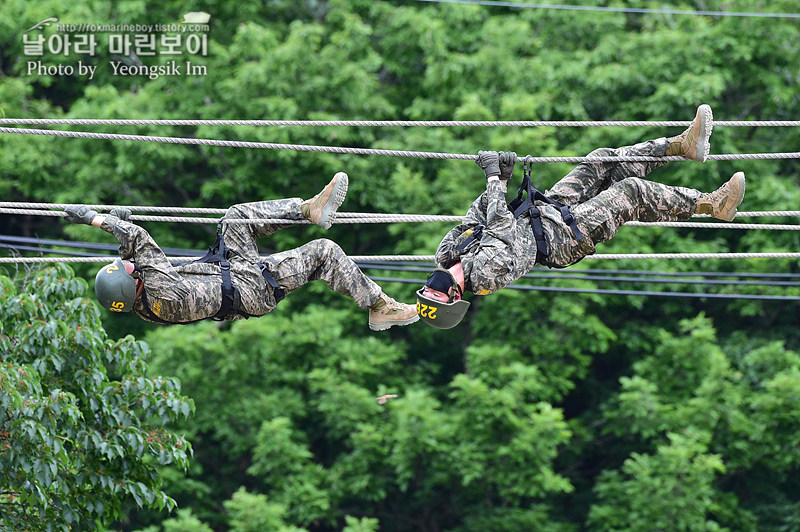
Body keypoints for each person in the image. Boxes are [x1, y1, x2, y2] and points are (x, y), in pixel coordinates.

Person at [416, 104, 747, 329]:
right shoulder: (485, 278)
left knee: (599, 161)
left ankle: (680, 145)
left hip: (543, 213)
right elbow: (500, 227)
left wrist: (498, 178)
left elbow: (477, 218)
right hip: (563, 240)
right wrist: (495, 181)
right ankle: (709, 205)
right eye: (434, 296)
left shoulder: (446, 254)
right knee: (630, 193)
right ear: (454, 297)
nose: (429, 288)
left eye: (425, 292)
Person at [64, 172, 419, 331]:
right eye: (127, 272)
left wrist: (118, 226)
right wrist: (97, 219)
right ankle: (380, 304)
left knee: (313, 251)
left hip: (238, 280)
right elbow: (140, 241)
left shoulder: (144, 300)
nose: (129, 267)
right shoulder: (160, 291)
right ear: (135, 287)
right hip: (247, 284)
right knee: (247, 222)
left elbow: (134, 257)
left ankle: (378, 307)